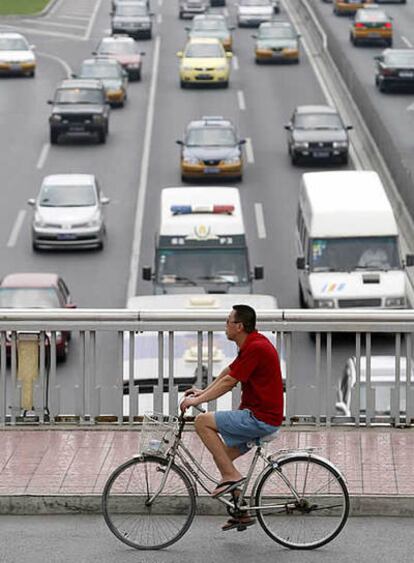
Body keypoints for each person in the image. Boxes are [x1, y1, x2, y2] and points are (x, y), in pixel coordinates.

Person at [180, 304, 284, 531]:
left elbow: (229, 383)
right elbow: (229, 372)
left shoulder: (256, 347)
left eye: (228, 321)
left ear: (239, 326)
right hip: (260, 416)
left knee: (202, 421)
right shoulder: (251, 344)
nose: (225, 326)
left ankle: (231, 476)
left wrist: (197, 402)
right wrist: (203, 392)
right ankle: (241, 512)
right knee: (223, 458)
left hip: (259, 418)